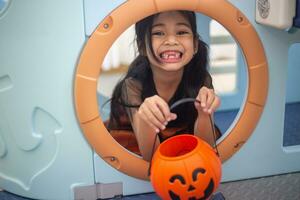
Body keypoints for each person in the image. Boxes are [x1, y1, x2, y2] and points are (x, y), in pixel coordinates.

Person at [106, 10, 221, 161]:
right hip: (136, 135)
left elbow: (204, 149)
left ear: (194, 45)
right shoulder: (132, 86)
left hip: (183, 130)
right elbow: (150, 157)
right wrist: (146, 120)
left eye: (181, 32)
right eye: (158, 33)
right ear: (142, 47)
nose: (171, 40)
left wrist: (205, 113)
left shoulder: (201, 79)